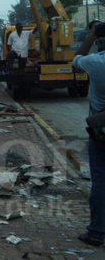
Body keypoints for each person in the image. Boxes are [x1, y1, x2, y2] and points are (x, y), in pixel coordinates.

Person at [73, 21, 105, 247]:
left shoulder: (96, 62)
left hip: (101, 132)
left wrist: (91, 37)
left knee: (100, 180)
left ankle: (96, 232)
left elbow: (75, 61)